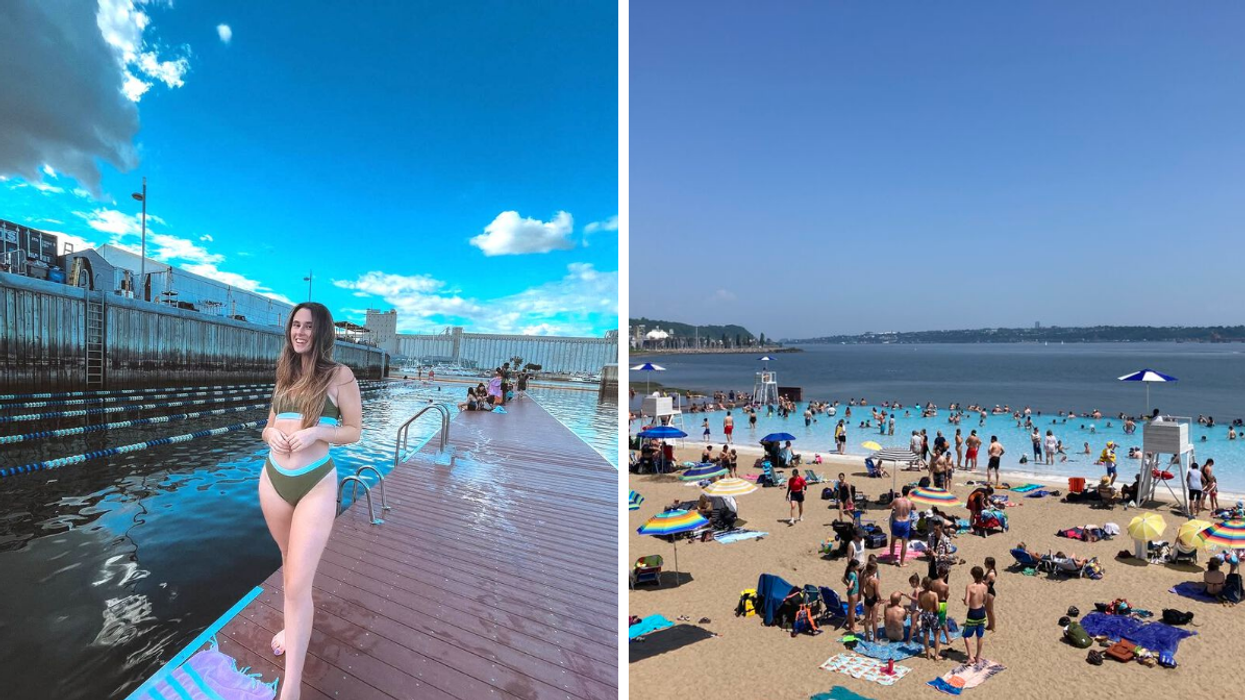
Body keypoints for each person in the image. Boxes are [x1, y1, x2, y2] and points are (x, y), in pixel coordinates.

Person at [260, 302, 363, 700]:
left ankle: (292, 685)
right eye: (295, 325)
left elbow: (353, 430)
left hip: (315, 482)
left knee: (298, 583)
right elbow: (268, 427)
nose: (299, 332)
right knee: (289, 569)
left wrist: (317, 432)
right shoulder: (285, 374)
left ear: (322, 333)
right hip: (273, 481)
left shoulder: (341, 376)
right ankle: (292, 625)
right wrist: (273, 437)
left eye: (308, 327)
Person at [962, 566, 989, 664]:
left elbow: (966, 602)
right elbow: (985, 601)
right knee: (980, 636)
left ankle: (970, 656)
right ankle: (978, 656)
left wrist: (964, 600)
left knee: (966, 635)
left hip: (973, 613)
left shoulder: (970, 587)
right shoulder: (985, 586)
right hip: (981, 612)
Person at [889, 485, 914, 566]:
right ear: (908, 493)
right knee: (904, 544)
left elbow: (889, 506)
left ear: (902, 491)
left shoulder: (896, 500)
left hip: (897, 522)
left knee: (893, 542)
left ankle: (892, 560)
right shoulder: (910, 502)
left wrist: (895, 507)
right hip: (905, 523)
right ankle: (902, 562)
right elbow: (914, 508)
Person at [918, 577, 941, 660]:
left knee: (926, 635)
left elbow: (920, 606)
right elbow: (937, 608)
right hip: (933, 615)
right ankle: (936, 655)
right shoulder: (934, 594)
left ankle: (928, 654)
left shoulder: (920, 594)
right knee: (937, 635)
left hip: (924, 614)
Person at [861, 562, 881, 641]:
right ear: (873, 570)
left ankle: (867, 637)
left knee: (866, 619)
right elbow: (876, 592)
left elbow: (861, 590)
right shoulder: (875, 580)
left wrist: (865, 595)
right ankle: (875, 638)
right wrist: (880, 598)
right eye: (875, 569)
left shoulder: (864, 578)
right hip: (874, 600)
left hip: (867, 599)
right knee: (874, 620)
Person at [843, 559, 861, 635]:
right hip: (854, 593)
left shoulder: (849, 573)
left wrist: (848, 585)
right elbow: (851, 584)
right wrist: (850, 586)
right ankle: (852, 627)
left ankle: (851, 626)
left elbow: (843, 579)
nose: (858, 567)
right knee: (852, 611)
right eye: (857, 566)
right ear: (853, 567)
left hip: (850, 593)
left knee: (850, 610)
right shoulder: (853, 575)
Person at [983, 556, 998, 631]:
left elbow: (985, 583)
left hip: (990, 593)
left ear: (989, 564)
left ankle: (993, 626)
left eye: (985, 562)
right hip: (988, 592)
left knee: (990, 610)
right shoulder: (990, 570)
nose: (984, 563)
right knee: (987, 610)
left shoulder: (990, 574)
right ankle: (990, 624)